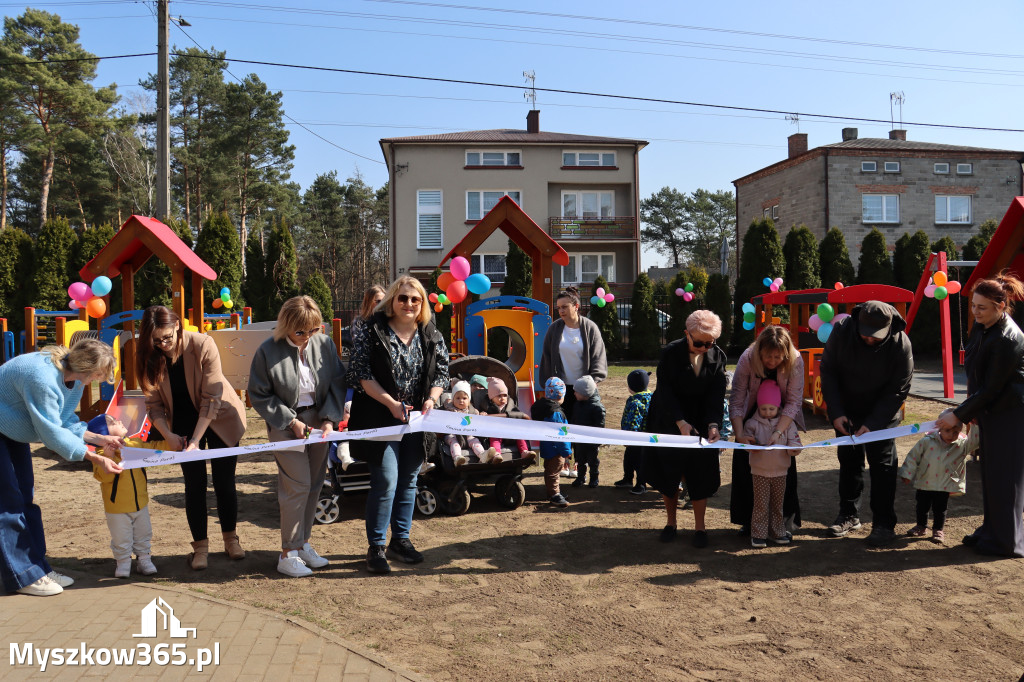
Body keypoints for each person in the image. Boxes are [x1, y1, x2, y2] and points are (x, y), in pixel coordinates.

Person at [0, 340, 123, 596]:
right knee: (8, 504)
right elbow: (52, 432)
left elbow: (66, 420)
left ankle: (38, 568)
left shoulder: (73, 379)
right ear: (87, 368)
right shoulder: (42, 378)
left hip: (11, 431)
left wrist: (100, 439)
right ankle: (23, 576)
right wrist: (95, 458)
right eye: (99, 374)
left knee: (26, 499)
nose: (99, 380)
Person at [348, 276, 449, 575]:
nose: (408, 304)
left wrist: (432, 398)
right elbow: (360, 373)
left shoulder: (430, 333)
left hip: (417, 420)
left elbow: (442, 372)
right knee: (386, 481)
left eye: (415, 299)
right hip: (381, 416)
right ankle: (376, 546)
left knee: (409, 481)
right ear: (392, 300)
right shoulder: (372, 330)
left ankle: (400, 541)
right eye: (402, 298)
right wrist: (391, 404)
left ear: (422, 304)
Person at [137, 305, 248, 570]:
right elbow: (153, 405)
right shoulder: (147, 355)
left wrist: (196, 442)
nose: (163, 344)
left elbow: (213, 397)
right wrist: (169, 435)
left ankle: (231, 539)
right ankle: (200, 547)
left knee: (224, 481)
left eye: (167, 338)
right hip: (182, 422)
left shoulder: (203, 344)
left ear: (177, 326)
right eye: (156, 340)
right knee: (194, 484)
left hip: (220, 417)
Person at [249, 296, 347, 578]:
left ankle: (303, 543)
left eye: (313, 330)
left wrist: (329, 419)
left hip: (319, 420)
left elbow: (337, 382)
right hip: (285, 422)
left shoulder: (324, 344)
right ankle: (287, 553)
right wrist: (290, 421)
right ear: (286, 326)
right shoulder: (267, 350)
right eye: (300, 331)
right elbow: (258, 393)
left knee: (316, 483)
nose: (307, 337)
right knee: (297, 484)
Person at [936, 272, 1024, 557]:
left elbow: (992, 388)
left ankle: (1007, 541)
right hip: (990, 410)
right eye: (973, 305)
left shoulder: (1009, 339)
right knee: (990, 474)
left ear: (1000, 306)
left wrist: (959, 414)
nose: (975, 312)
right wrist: (971, 409)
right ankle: (993, 529)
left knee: (1006, 477)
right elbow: (977, 376)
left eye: (982, 307)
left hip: (1011, 414)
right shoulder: (983, 327)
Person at [820, 300, 914, 547]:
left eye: (876, 337)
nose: (870, 339)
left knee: (883, 466)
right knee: (849, 461)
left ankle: (884, 523)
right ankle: (849, 514)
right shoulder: (841, 331)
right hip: (847, 411)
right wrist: (837, 412)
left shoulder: (901, 344)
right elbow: (828, 371)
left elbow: (898, 389)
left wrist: (874, 423)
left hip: (882, 415)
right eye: (865, 335)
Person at [644, 310, 727, 548]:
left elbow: (716, 394)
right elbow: (666, 392)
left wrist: (713, 424)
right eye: (698, 342)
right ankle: (671, 523)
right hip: (669, 418)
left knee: (700, 472)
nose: (703, 348)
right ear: (686, 334)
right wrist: (680, 422)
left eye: (709, 343)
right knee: (670, 472)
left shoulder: (718, 357)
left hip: (701, 420)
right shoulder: (670, 354)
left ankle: (700, 528)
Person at [729, 326, 805, 535]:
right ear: (759, 352)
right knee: (747, 469)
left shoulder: (796, 360)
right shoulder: (747, 358)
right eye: (767, 357)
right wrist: (740, 435)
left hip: (781, 417)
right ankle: (749, 521)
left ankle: (783, 523)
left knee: (783, 470)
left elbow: (793, 402)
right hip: (751, 412)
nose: (772, 362)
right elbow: (736, 398)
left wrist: (778, 433)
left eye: (777, 357)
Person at [88, 414, 167, 578]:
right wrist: (109, 457)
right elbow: (103, 478)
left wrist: (174, 445)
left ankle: (144, 560)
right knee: (121, 537)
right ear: (103, 433)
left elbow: (154, 449)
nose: (119, 420)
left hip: (141, 503)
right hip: (117, 508)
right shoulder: (100, 454)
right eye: (112, 422)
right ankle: (123, 562)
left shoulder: (135, 443)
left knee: (144, 534)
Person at [900, 410, 980, 544]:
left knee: (940, 508)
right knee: (922, 506)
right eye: (947, 430)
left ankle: (938, 529)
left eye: (955, 432)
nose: (951, 435)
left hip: (945, 484)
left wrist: (975, 425)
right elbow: (913, 457)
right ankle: (921, 526)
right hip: (925, 481)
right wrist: (907, 473)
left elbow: (975, 442)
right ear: (939, 428)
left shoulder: (961, 444)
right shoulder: (926, 441)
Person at [743, 380, 801, 549]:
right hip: (759, 471)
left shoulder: (788, 425)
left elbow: (795, 444)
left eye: (771, 408)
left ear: (778, 407)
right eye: (763, 409)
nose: (767, 412)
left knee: (777, 504)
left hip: (781, 472)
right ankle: (758, 534)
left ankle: (777, 531)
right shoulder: (751, 424)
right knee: (760, 504)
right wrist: (751, 445)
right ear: (758, 407)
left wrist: (794, 450)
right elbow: (746, 446)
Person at [539, 285, 608, 421]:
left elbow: (598, 358)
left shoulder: (590, 328)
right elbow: (546, 357)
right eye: (558, 308)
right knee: (563, 425)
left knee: (583, 425)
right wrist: (547, 383)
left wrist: (591, 383)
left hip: (583, 389)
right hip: (561, 389)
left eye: (564, 307)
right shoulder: (554, 329)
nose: (561, 311)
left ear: (576, 306)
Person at [530, 377, 572, 508]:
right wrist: (566, 452)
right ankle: (554, 495)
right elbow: (560, 434)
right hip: (555, 448)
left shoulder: (542, 406)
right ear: (561, 395)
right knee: (554, 471)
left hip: (546, 444)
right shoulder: (556, 413)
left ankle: (554, 491)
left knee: (550, 469)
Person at [614, 369, 652, 495]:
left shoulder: (635, 402)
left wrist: (629, 437)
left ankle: (641, 484)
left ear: (631, 387)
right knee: (629, 458)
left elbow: (634, 422)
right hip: (647, 438)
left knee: (638, 461)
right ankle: (627, 479)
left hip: (636, 439)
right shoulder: (651, 398)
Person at [441, 381, 496, 466]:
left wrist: (482, 415)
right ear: (453, 399)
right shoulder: (447, 409)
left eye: (464, 398)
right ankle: (457, 457)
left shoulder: (472, 411)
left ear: (469, 400)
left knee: (475, 440)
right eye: (458, 398)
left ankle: (482, 455)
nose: (461, 401)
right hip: (452, 434)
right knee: (454, 442)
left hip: (467, 434)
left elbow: (478, 421)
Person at [482, 377, 533, 460]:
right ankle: (496, 454)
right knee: (494, 438)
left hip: (510, 431)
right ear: (491, 398)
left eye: (505, 395)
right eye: (499, 396)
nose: (502, 398)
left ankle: (524, 451)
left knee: (520, 434)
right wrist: (483, 414)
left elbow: (518, 414)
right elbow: (482, 415)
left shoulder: (510, 405)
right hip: (495, 430)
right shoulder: (487, 406)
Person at [569, 375, 605, 488]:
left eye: (577, 392)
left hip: (591, 441)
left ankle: (594, 478)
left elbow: (600, 425)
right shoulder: (577, 405)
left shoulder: (597, 408)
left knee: (593, 461)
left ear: (585, 394)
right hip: (579, 440)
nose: (574, 394)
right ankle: (581, 477)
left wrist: (597, 440)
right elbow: (574, 419)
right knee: (580, 460)